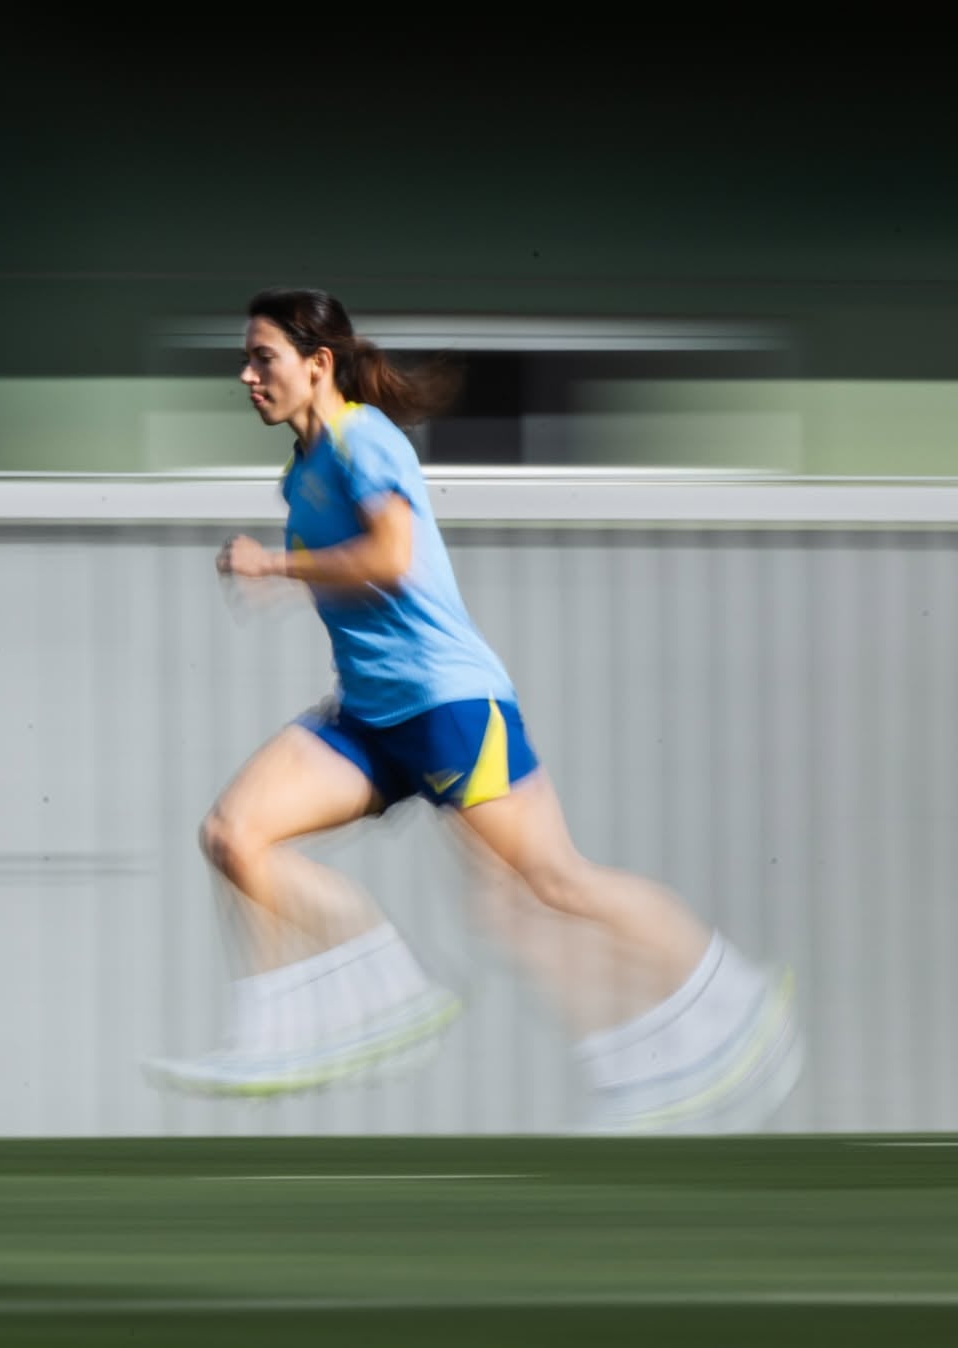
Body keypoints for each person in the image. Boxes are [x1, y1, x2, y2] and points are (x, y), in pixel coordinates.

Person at [143, 287, 803, 1133]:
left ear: (318, 364)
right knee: (234, 835)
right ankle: (290, 1024)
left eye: (262, 358)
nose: (246, 375)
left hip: (449, 706)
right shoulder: (301, 473)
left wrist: (275, 569)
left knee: (549, 887)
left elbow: (391, 555)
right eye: (245, 359)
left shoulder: (364, 439)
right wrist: (290, 579)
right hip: (370, 718)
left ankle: (733, 996)